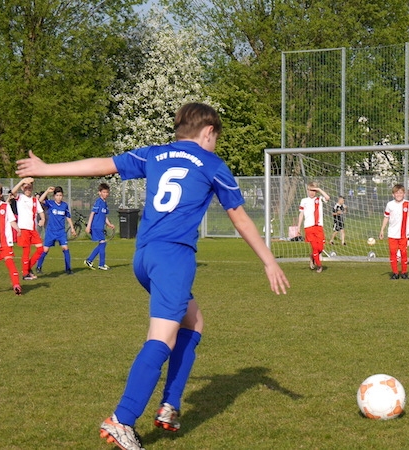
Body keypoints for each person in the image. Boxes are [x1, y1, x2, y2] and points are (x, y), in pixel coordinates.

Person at [16, 102, 289, 450]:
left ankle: (170, 405)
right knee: (161, 339)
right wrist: (269, 260)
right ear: (208, 132)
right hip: (174, 258)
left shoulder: (154, 154)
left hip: (144, 257)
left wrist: (46, 168)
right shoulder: (212, 164)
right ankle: (122, 419)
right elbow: (239, 218)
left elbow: (102, 164)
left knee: (193, 322)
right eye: (216, 138)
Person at [379, 184, 409, 280]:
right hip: (392, 234)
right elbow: (386, 217)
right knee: (393, 253)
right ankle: (395, 273)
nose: (399, 195)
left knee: (403, 253)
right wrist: (382, 229)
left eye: (401, 193)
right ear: (393, 194)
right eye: (396, 193)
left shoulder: (408, 203)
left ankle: (404, 273)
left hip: (403, 234)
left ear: (404, 194)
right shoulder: (390, 205)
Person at [34, 186, 76, 275]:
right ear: (54, 196)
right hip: (51, 231)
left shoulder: (64, 205)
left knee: (65, 248)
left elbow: (68, 217)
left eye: (60, 195)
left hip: (61, 232)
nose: (59, 197)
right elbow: (40, 200)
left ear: (62, 196)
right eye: (57, 195)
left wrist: (72, 228)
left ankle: (68, 269)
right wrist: (47, 191)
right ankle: (38, 267)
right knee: (45, 250)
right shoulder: (51, 203)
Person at [11, 177, 46, 280]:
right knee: (26, 251)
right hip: (23, 228)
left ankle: (27, 268)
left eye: (29, 188)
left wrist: (43, 219)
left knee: (40, 249)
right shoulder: (20, 197)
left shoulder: (34, 200)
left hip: (32, 229)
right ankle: (25, 274)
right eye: (26, 188)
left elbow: (40, 211)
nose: (28, 190)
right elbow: (12, 192)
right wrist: (22, 181)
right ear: (22, 188)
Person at [297, 181, 330, 273]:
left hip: (319, 227)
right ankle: (319, 266)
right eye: (310, 190)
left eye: (314, 191)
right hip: (308, 227)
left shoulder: (319, 199)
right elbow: (301, 214)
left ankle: (312, 257)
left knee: (320, 248)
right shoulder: (304, 200)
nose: (312, 193)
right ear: (307, 191)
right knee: (315, 247)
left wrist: (319, 189)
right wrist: (298, 226)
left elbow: (327, 198)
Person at [84, 183, 116, 270]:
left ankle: (89, 260)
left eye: (107, 192)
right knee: (103, 243)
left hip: (100, 227)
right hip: (96, 226)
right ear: (99, 192)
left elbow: (104, 216)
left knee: (102, 244)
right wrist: (88, 226)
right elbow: (92, 213)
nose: (106, 194)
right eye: (104, 192)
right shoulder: (98, 202)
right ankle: (101, 264)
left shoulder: (105, 203)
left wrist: (109, 224)